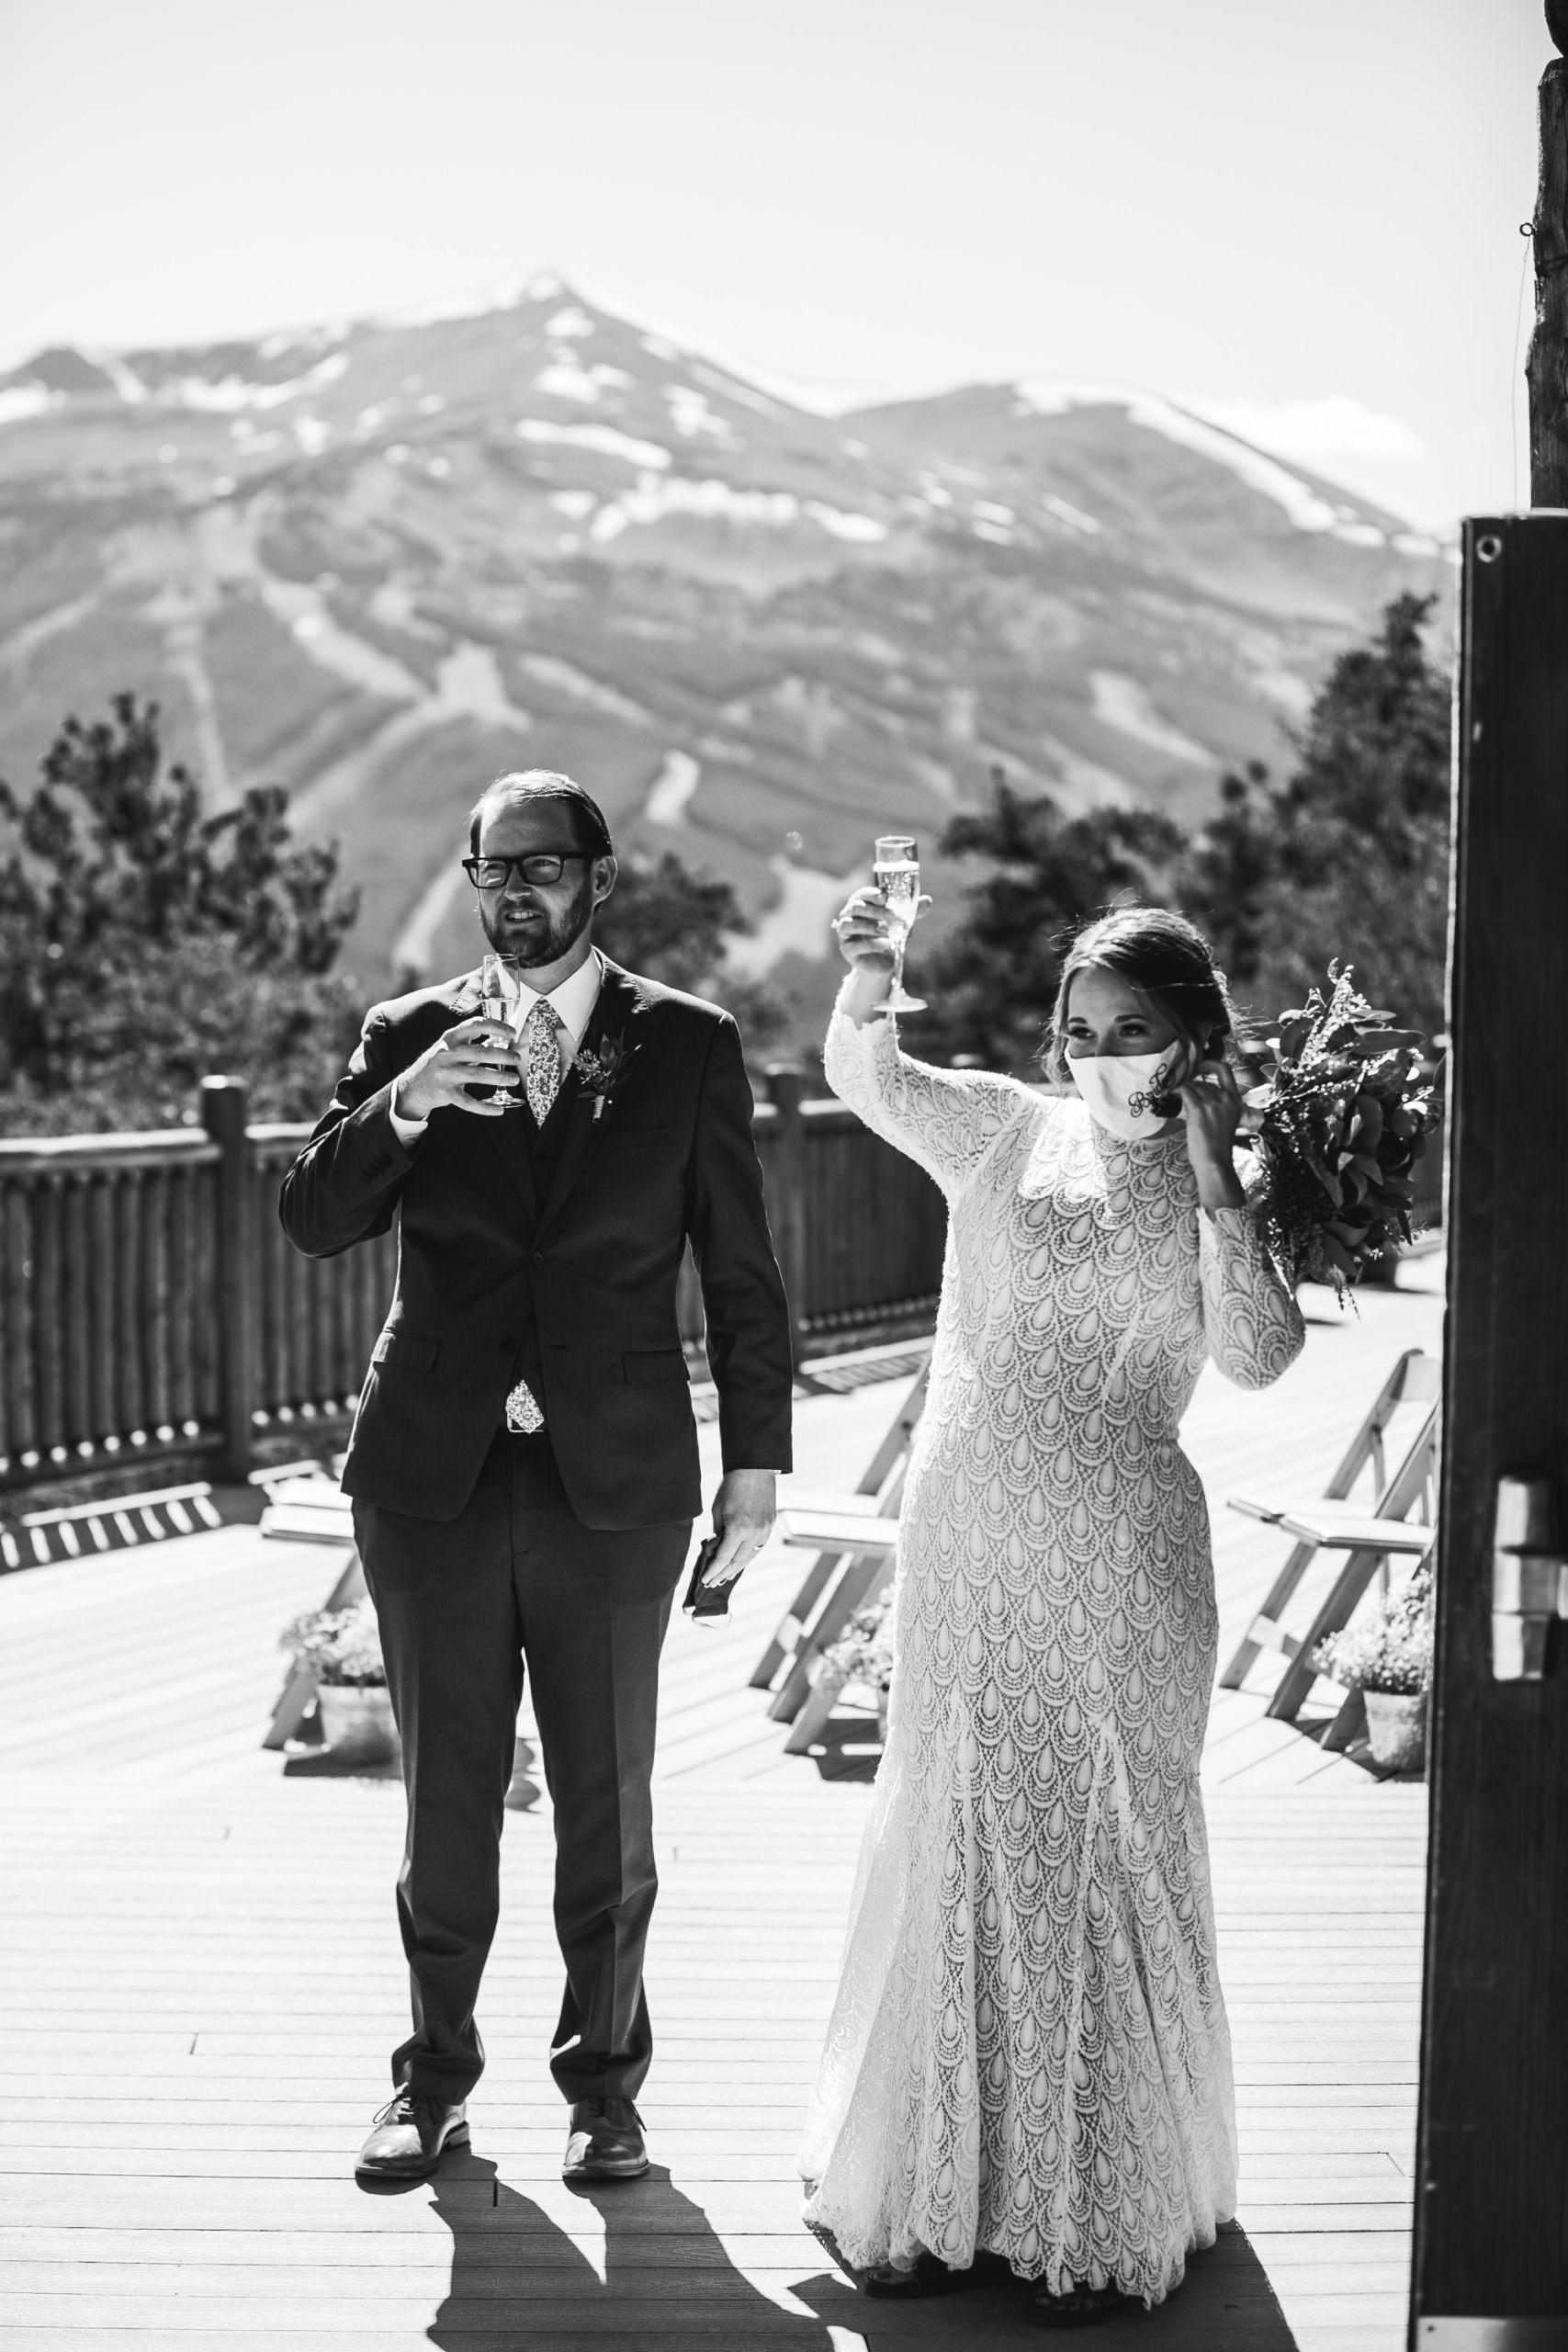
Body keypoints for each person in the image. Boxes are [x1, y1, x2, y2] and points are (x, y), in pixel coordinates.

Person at [279, 769, 793, 2188]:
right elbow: (314, 1216)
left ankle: (605, 2091)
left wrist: (758, 1463)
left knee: (607, 1806)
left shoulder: (686, 1045)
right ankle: (431, 2081)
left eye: (543, 867)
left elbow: (741, 1273)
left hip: (613, 1483)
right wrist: (400, 1105)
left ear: (599, 877)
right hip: (432, 1481)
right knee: (444, 1802)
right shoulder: (407, 1034)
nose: (515, 892)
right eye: (491, 869)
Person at [800, 894, 1304, 2329]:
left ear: (1193, 1040)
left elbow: (1261, 1358)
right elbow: (871, 1076)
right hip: (973, 1540)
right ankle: (936, 2187)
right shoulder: (1007, 1130)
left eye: (1129, 1033)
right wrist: (871, 973)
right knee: (964, 1828)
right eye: (1078, 1032)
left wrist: (1220, 1183)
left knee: (1103, 1844)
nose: (1097, 1058)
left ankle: (1095, 2200)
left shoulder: (1234, 1169)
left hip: (1131, 1554)